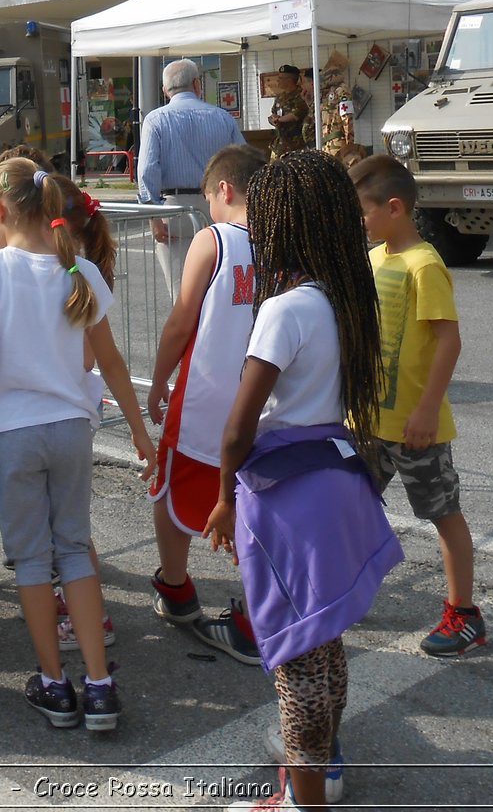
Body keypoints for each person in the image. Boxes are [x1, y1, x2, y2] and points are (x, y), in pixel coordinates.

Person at [203, 150, 402, 812]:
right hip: (338, 477)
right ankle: (313, 783)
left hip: (290, 498)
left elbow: (237, 429)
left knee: (297, 668)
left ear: (285, 224)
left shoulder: (285, 308)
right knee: (324, 652)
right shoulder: (345, 296)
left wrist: (225, 499)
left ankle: (303, 801)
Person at [0, 157, 155, 732]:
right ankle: (99, 683)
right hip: (72, 428)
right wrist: (141, 433)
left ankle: (53, 682)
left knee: (34, 562)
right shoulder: (82, 272)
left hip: (13, 433)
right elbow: (111, 362)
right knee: (73, 551)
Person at [350, 154, 481, 656]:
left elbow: (448, 342)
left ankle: (463, 613)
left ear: (395, 207)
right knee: (351, 508)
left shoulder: (425, 265)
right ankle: (340, 596)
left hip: (415, 426)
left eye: (362, 212)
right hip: (367, 422)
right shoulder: (375, 258)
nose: (357, 223)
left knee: (443, 513)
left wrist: (426, 410)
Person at [148, 144, 268, 666]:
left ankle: (176, 587)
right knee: (256, 505)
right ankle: (255, 612)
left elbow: (181, 322)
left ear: (224, 189)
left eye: (209, 197)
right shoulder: (284, 240)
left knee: (171, 487)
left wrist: (156, 383)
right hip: (265, 402)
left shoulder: (213, 239)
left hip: (208, 396)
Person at [137, 59, 245, 308]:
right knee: (221, 284)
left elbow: (146, 172)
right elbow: (243, 162)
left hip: (175, 209)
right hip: (221, 204)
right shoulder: (222, 118)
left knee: (182, 291)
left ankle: (191, 343)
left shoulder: (155, 120)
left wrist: (153, 215)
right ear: (197, 84)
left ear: (165, 91)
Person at [267, 65, 310, 162]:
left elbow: (296, 115)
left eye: (281, 78)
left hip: (295, 144)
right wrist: (272, 120)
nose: (278, 80)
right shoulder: (280, 97)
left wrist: (279, 120)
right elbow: (273, 114)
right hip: (279, 144)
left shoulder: (301, 95)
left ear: (290, 80)